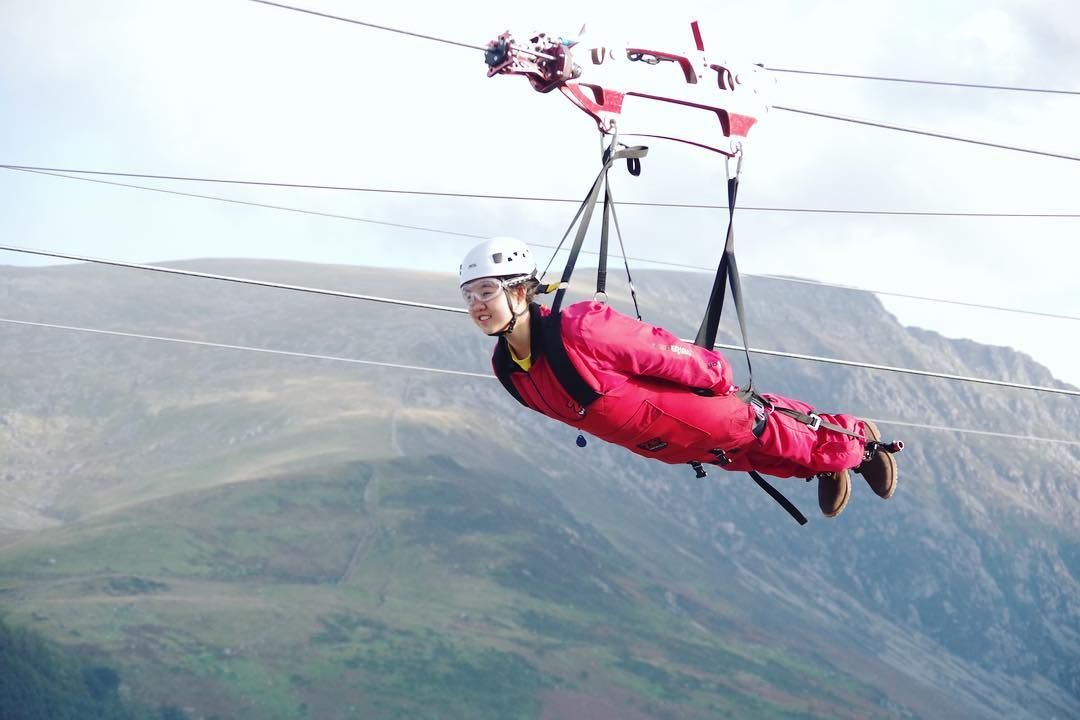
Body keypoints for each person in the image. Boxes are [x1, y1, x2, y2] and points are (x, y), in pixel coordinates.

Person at [459, 236, 898, 518]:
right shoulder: (509, 371)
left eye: (487, 291)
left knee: (765, 429)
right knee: (745, 457)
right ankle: (821, 466)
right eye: (469, 295)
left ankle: (859, 444)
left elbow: (660, 352)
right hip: (663, 442)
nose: (477, 304)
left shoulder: (579, 329)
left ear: (520, 289)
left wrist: (716, 376)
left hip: (696, 412)